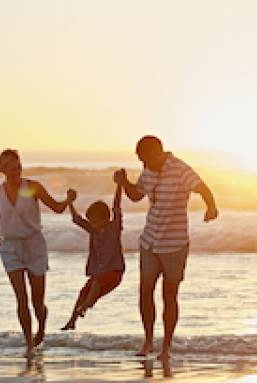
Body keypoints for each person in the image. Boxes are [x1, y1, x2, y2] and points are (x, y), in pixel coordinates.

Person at [114, 136, 218, 359]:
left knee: (169, 295)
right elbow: (135, 195)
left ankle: (166, 348)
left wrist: (211, 208)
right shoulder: (148, 171)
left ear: (157, 153)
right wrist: (124, 183)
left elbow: (202, 188)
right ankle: (148, 342)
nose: (143, 164)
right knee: (145, 291)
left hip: (174, 244)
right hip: (150, 240)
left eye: (145, 159)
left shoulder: (180, 169)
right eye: (140, 160)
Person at [0, 149, 76, 356]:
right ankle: (29, 343)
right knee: (21, 298)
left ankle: (41, 328)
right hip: (10, 247)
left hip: (34, 245)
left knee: (37, 301)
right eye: (11, 169)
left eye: (18, 167)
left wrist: (68, 200)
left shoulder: (31, 188)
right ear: (2, 170)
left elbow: (56, 208)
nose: (16, 172)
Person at [61, 182, 125, 331]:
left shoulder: (114, 227)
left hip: (114, 272)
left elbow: (116, 206)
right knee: (83, 292)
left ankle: (84, 308)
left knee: (96, 282)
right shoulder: (93, 229)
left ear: (105, 219)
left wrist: (119, 186)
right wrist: (70, 202)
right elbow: (77, 219)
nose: (93, 224)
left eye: (95, 221)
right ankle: (72, 321)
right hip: (100, 273)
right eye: (91, 222)